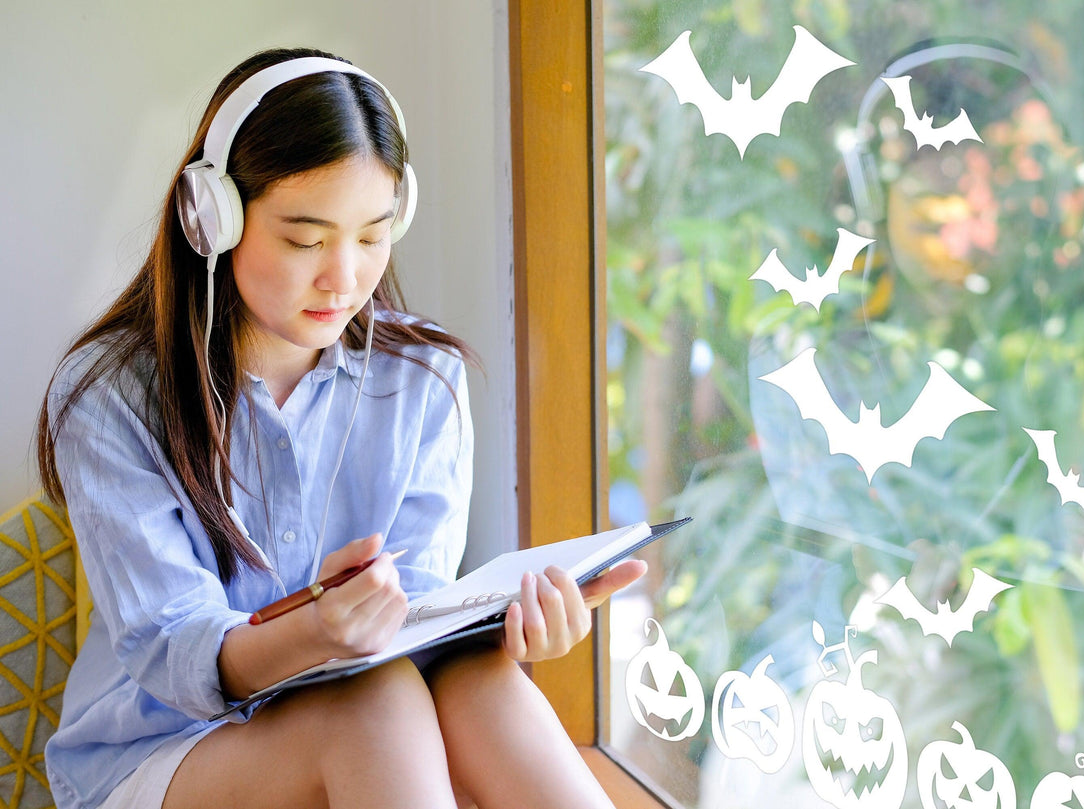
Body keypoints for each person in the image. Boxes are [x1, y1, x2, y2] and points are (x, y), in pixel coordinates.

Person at [36, 46, 643, 809]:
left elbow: (419, 620)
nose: (345, 277)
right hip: (161, 747)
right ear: (212, 219)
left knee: (479, 681)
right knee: (373, 704)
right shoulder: (110, 393)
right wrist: (317, 632)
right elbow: (171, 649)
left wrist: (511, 630)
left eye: (372, 234)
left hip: (366, 716)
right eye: (305, 239)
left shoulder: (422, 378)